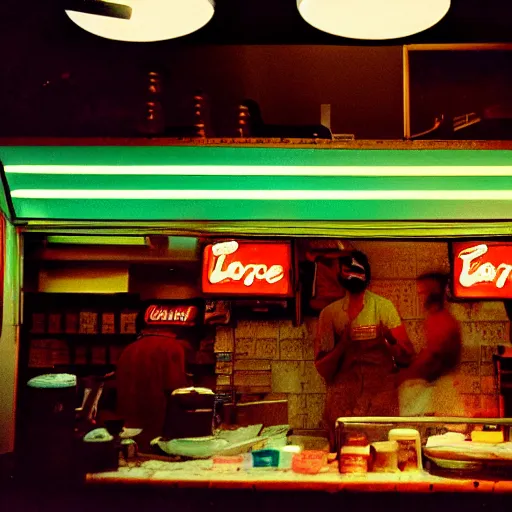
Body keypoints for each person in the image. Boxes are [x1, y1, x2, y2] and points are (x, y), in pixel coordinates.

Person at [314, 251, 415, 448]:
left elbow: (407, 357)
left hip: (380, 407)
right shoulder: (330, 314)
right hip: (343, 409)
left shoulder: (384, 308)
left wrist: (389, 340)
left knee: (383, 459)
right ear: (340, 276)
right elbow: (322, 368)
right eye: (348, 271)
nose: (353, 276)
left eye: (358, 271)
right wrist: (343, 345)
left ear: (367, 274)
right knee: (345, 463)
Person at [116, 310, 193, 451]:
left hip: (128, 431)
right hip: (158, 432)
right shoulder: (173, 348)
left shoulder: (128, 349)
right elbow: (178, 393)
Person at [397, 272, 462, 417]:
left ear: (435, 292)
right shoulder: (437, 319)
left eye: (423, 292)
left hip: (441, 392)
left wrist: (404, 376)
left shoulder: (442, 321)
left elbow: (433, 357)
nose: (421, 297)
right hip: (439, 392)